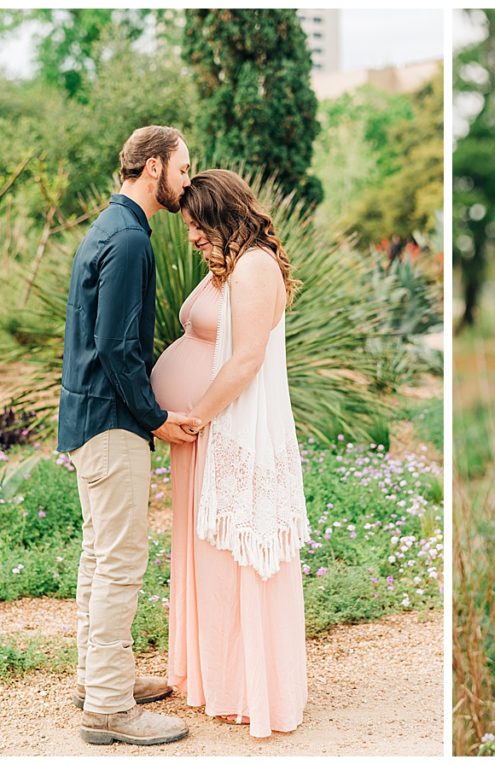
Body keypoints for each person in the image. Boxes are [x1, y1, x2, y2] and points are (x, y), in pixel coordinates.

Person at [150, 168, 310, 738]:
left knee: (235, 556)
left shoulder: (256, 268)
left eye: (196, 224)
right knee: (208, 557)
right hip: (201, 435)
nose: (190, 236)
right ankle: (212, 674)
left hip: (223, 430)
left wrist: (195, 417)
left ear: (221, 215)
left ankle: (248, 686)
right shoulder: (231, 266)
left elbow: (245, 361)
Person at [58, 125, 199, 746]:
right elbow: (116, 347)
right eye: (183, 168)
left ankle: (98, 679)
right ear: (152, 167)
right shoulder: (131, 240)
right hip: (113, 426)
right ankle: (109, 707)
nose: (187, 181)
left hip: (88, 421)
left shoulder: (107, 228)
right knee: (120, 562)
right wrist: (156, 418)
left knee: (99, 555)